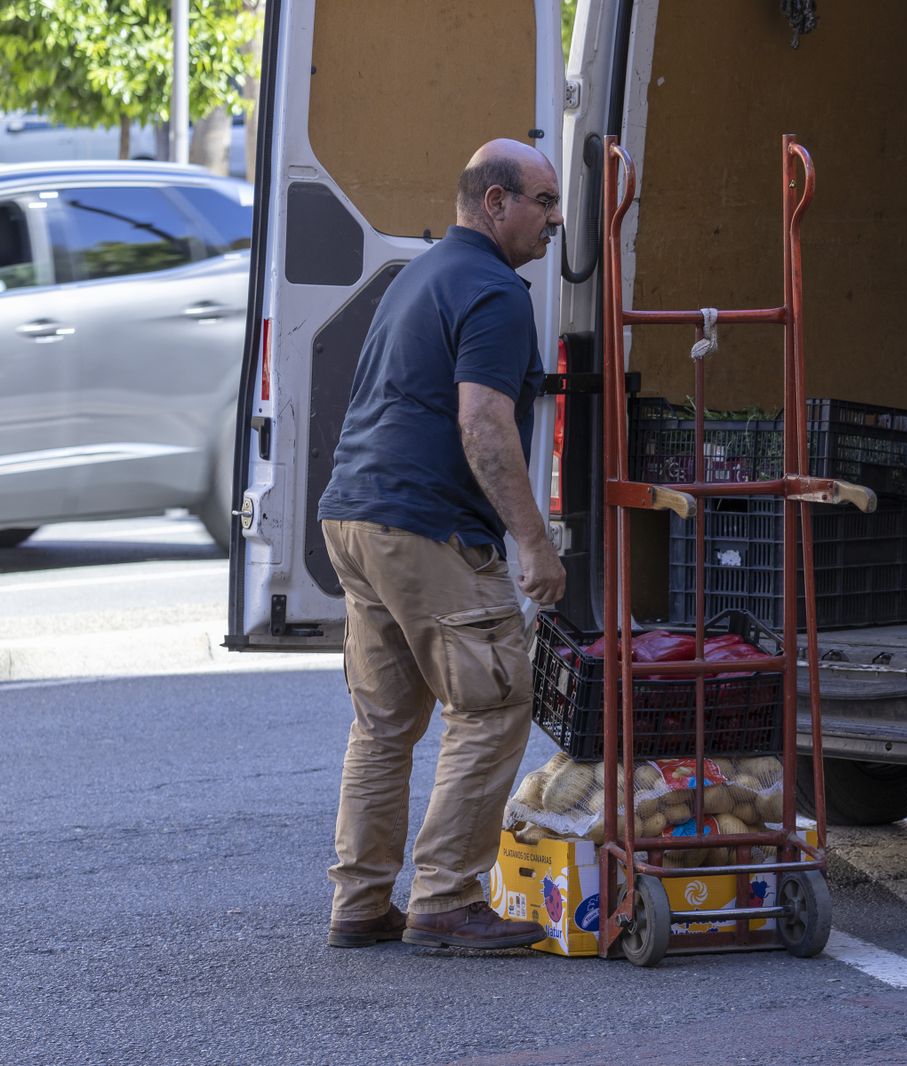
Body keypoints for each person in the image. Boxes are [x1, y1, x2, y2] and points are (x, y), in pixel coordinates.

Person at [317, 138, 568, 952]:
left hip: (354, 517)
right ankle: (447, 900)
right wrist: (534, 543)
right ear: (495, 203)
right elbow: (485, 424)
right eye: (544, 201)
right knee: (494, 704)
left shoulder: (417, 274)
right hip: (425, 528)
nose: (556, 219)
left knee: (384, 725)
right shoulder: (495, 292)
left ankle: (359, 903)